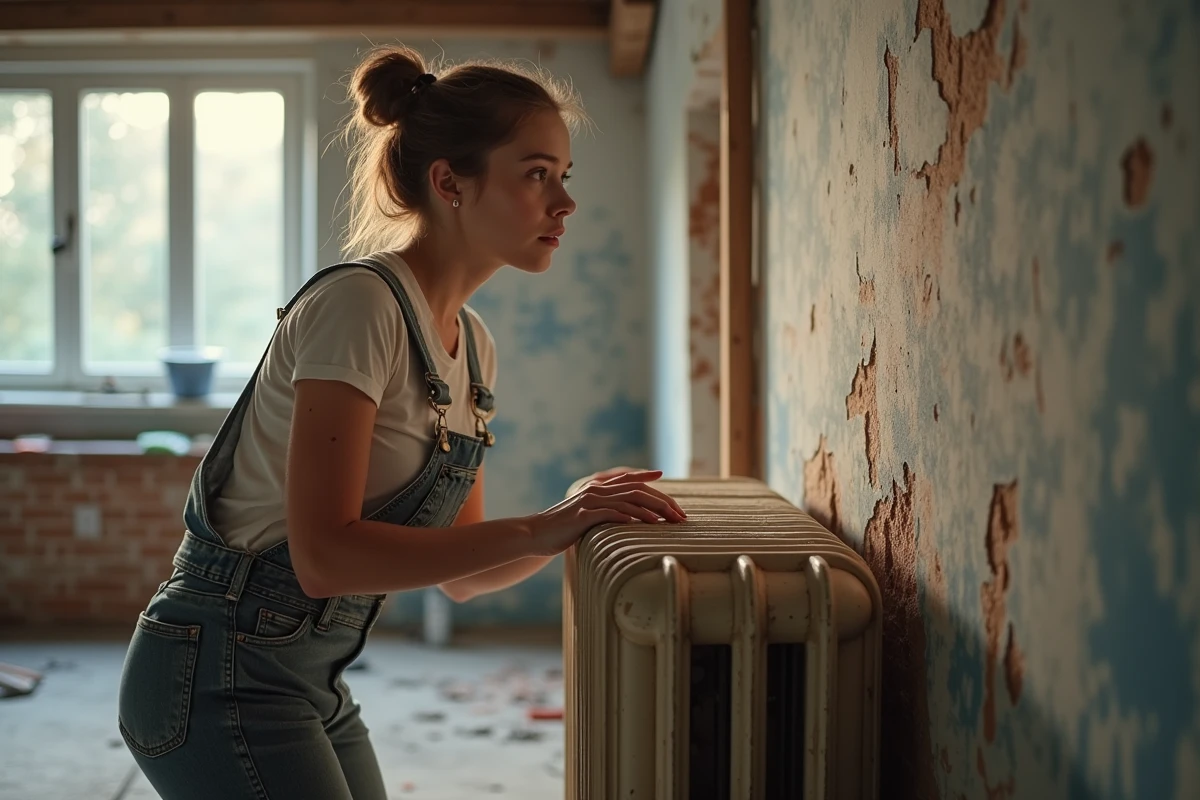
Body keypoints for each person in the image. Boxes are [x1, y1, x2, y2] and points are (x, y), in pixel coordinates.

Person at [116, 44, 686, 800]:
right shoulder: (359, 306)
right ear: (450, 182)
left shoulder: (473, 347)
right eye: (536, 174)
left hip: (311, 683)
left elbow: (465, 572)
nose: (565, 203)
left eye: (564, 177)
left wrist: (579, 518)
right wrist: (547, 523)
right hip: (214, 671)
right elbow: (324, 556)